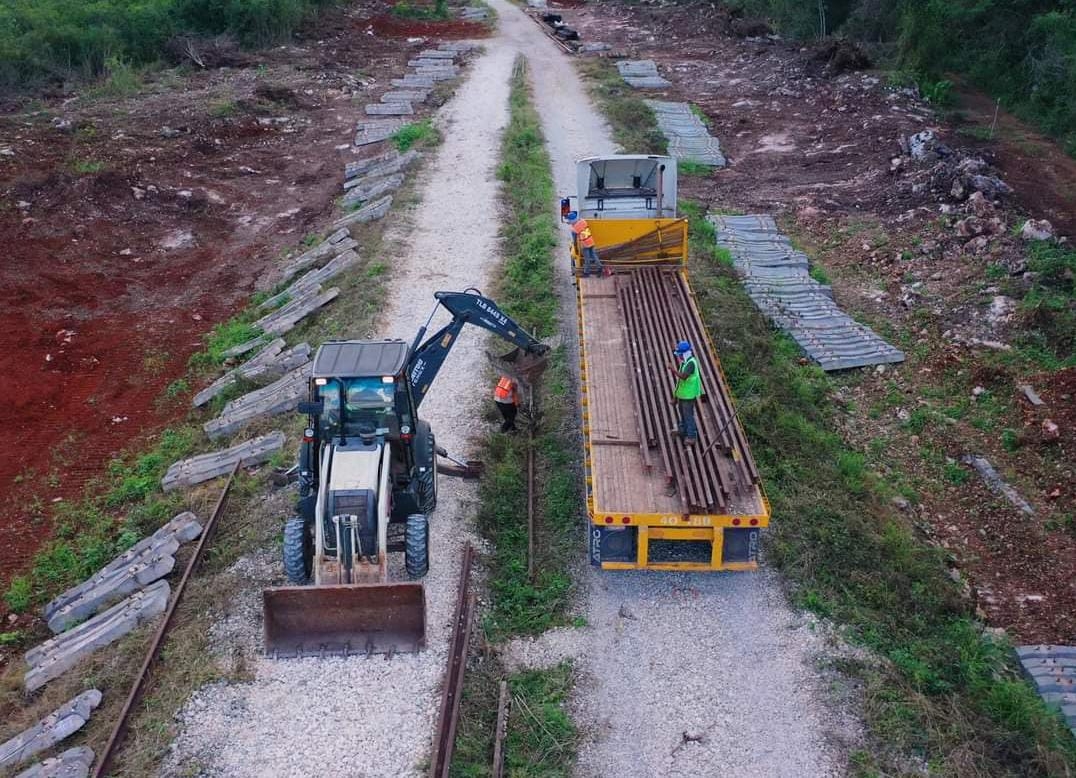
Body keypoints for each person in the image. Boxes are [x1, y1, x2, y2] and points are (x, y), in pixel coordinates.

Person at [670, 340, 702, 445]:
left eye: (680, 355)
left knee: (688, 415)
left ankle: (692, 436)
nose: (678, 357)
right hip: (683, 395)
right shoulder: (685, 362)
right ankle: (683, 430)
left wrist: (673, 370)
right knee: (682, 414)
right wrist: (675, 397)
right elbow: (679, 383)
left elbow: (683, 377)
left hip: (688, 396)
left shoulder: (691, 363)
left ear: (685, 353)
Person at [566, 211, 604, 277]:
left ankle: (587, 273)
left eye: (569, 220)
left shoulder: (574, 229)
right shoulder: (583, 221)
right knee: (594, 255)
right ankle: (600, 267)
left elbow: (574, 239)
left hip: (585, 244)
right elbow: (579, 223)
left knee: (587, 259)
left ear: (571, 220)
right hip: (591, 241)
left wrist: (575, 246)